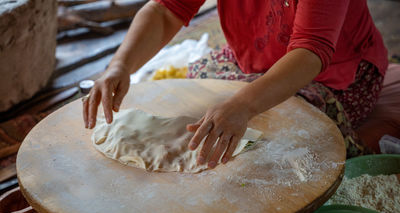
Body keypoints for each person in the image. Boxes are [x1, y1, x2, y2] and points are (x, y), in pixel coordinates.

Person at [82, 0, 388, 167]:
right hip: (256, 56)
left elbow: (311, 50)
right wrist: (119, 65)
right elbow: (165, 11)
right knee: (197, 89)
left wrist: (242, 105)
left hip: (336, 72)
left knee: (281, 138)